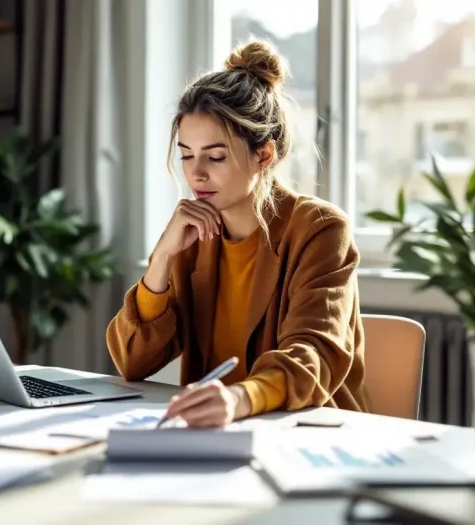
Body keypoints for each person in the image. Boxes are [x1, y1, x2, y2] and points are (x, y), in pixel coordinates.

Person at [106, 39, 369, 428]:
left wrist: (239, 398)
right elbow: (132, 362)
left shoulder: (321, 229)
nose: (196, 174)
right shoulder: (193, 235)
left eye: (215, 157)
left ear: (264, 155)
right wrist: (160, 259)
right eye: (186, 155)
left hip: (305, 434)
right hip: (217, 435)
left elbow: (313, 355)